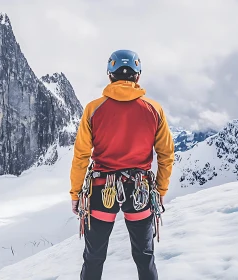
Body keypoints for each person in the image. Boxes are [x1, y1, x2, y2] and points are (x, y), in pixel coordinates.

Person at [70, 50, 175, 280]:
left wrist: (76, 193)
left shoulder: (93, 109)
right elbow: (166, 154)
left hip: (101, 191)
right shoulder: (154, 109)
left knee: (94, 257)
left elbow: (81, 156)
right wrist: (161, 190)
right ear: (137, 76)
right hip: (140, 191)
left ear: (110, 75)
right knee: (144, 256)